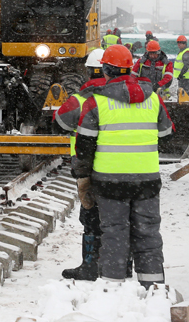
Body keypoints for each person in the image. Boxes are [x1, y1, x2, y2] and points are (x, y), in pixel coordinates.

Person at [74, 44, 173, 288]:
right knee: (148, 232)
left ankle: (113, 288)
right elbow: (167, 133)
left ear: (106, 70)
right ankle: (154, 289)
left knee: (115, 233)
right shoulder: (153, 99)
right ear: (131, 68)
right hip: (147, 181)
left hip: (109, 182)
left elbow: (84, 147)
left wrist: (83, 176)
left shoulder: (96, 102)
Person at [55, 49, 106, 280]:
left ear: (89, 71)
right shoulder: (123, 99)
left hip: (87, 167)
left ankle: (90, 265)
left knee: (91, 217)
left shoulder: (81, 99)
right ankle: (120, 265)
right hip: (120, 169)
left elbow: (60, 122)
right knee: (118, 219)